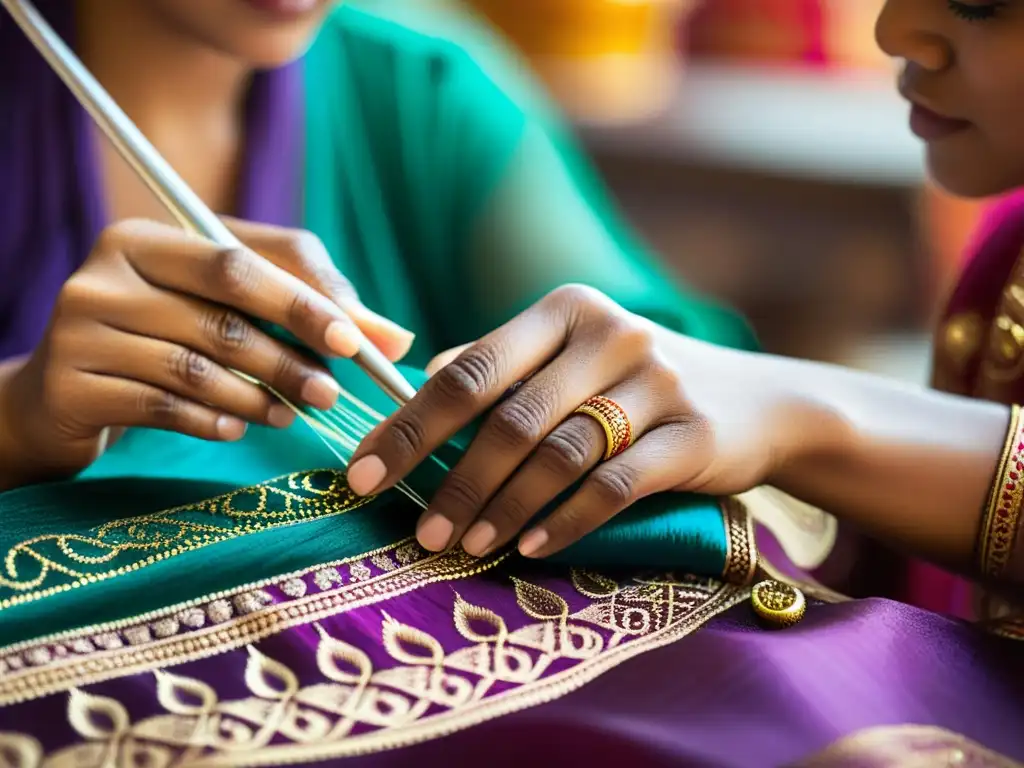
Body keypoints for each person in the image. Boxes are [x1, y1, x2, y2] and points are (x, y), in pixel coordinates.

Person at [0, 1, 1021, 766]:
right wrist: (16, 418)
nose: (895, 25)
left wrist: (646, 407)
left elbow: (674, 377)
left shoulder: (422, 94)